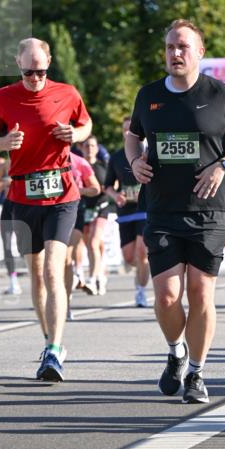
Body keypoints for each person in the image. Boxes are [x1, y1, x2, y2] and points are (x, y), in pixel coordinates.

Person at [126, 19, 225, 404]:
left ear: (200, 52)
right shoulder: (149, 95)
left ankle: (197, 372)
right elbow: (133, 136)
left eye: (183, 47)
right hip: (163, 209)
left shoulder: (221, 94)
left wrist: (223, 166)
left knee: (200, 292)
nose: (175, 53)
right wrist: (134, 163)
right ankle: (176, 350)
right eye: (169, 47)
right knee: (166, 297)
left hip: (208, 212)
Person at [0, 37, 92, 382]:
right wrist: (1, 143)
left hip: (61, 193)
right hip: (23, 195)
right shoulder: (2, 98)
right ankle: (49, 340)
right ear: (18, 65)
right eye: (29, 72)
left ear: (49, 63)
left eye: (41, 71)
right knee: (37, 274)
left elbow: (86, 124)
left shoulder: (67, 93)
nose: (36, 78)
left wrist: (75, 133)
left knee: (53, 272)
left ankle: (55, 351)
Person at [105, 117, 150, 307]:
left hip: (145, 209)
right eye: (124, 130)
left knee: (142, 253)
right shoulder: (115, 157)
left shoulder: (149, 153)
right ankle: (142, 270)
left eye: (130, 129)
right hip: (125, 211)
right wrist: (116, 196)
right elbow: (107, 185)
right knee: (130, 257)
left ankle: (141, 292)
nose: (126, 133)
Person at [66, 150, 101, 318]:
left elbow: (95, 188)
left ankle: (65, 304)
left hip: (74, 210)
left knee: (66, 256)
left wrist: (78, 190)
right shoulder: (41, 157)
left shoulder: (79, 162)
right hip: (47, 210)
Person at [80, 135, 110, 295]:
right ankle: (101, 273)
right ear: (81, 148)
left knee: (93, 243)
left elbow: (115, 183)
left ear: (97, 149)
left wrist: (106, 188)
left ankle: (92, 280)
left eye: (92, 146)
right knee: (93, 246)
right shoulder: (78, 165)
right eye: (86, 146)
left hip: (101, 207)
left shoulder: (103, 165)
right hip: (84, 208)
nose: (89, 148)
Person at [0, 155, 21, 295]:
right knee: (6, 246)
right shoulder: (2, 167)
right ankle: (13, 282)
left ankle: (38, 277)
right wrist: (1, 185)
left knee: (24, 247)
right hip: (7, 207)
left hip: (22, 207)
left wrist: (12, 181)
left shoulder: (26, 159)